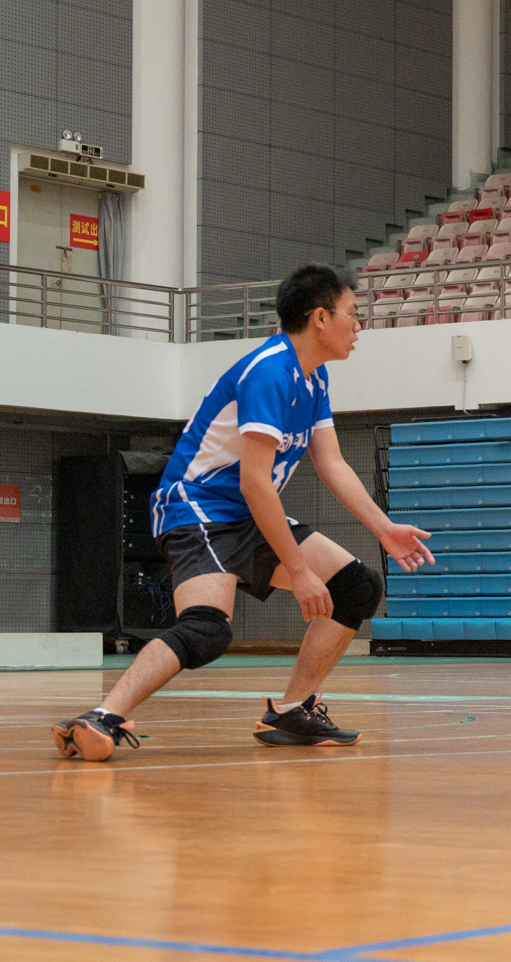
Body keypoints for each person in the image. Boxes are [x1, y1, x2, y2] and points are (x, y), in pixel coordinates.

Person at [51, 265, 435, 762]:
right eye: (353, 315)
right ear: (320, 317)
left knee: (356, 586)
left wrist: (384, 528)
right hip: (198, 508)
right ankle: (101, 716)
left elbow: (332, 462)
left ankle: (294, 710)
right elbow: (255, 482)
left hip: (246, 513)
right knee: (208, 630)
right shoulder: (270, 372)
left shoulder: (313, 379)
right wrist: (298, 572)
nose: (358, 326)